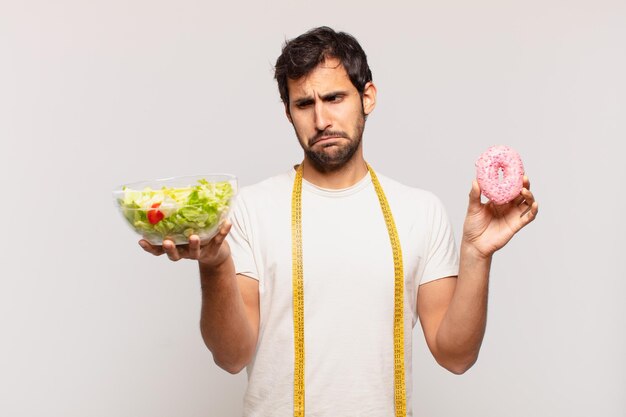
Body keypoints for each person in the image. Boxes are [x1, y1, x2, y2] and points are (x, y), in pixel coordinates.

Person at [139, 26, 538, 417]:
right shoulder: (250, 209)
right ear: (288, 112)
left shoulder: (419, 211)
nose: (321, 119)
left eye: (334, 98)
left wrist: (476, 254)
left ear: (368, 97)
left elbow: (456, 356)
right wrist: (214, 264)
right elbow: (230, 356)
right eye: (304, 104)